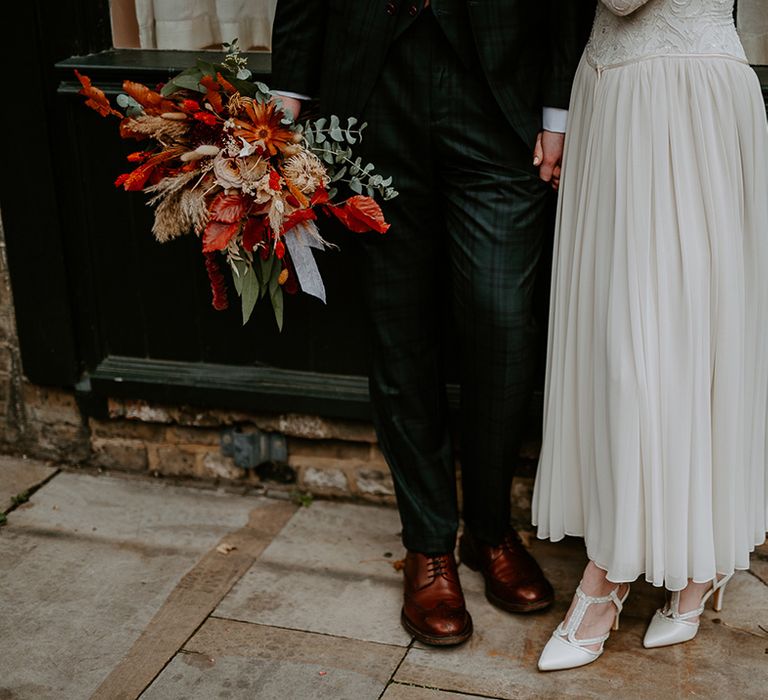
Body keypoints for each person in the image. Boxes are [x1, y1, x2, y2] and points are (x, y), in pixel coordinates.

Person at [271, 1, 593, 645]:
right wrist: (287, 96)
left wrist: (558, 108)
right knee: (400, 332)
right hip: (369, 94)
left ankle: (491, 530)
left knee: (503, 325)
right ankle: (428, 546)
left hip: (499, 94)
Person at [533, 0, 768, 671]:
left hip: (682, 101)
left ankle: (610, 581)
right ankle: (691, 562)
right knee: (626, 343)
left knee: (674, 344)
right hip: (615, 93)